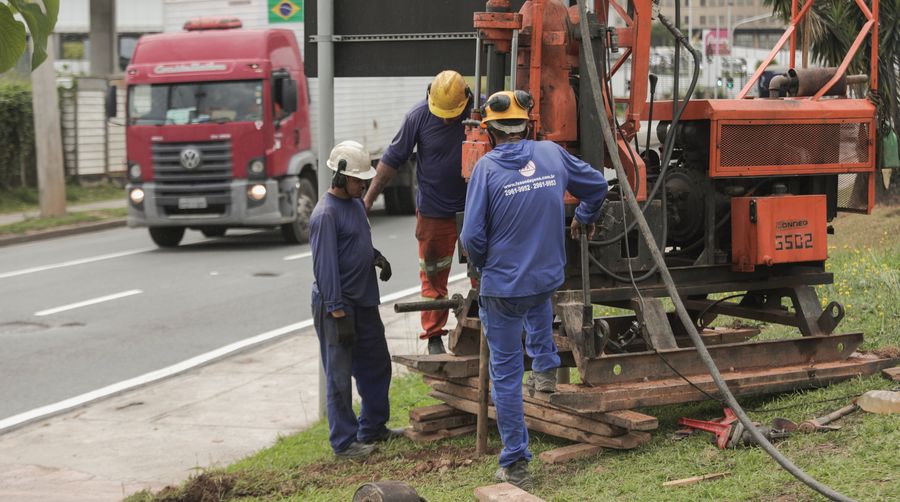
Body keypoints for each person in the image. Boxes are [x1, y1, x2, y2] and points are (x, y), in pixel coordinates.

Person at [459, 90, 608, 491]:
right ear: (527, 125)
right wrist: (583, 217)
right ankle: (544, 371)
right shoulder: (552, 154)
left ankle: (516, 461)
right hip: (545, 275)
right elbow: (597, 187)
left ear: (489, 132)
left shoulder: (486, 171)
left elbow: (472, 235)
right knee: (539, 299)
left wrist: (487, 264)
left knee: (505, 375)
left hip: (503, 287)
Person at [363, 70, 473, 355]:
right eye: (443, 114)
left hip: (473, 210)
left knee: (483, 272)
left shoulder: (479, 112)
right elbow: (392, 160)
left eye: (453, 114)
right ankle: (434, 336)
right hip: (434, 213)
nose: (448, 119)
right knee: (434, 275)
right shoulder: (418, 117)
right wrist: (368, 200)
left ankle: (480, 327)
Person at [310, 140, 403, 459]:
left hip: (364, 301)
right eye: (357, 180)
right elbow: (325, 268)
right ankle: (344, 443)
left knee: (377, 365)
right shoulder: (325, 215)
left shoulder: (355, 205)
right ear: (339, 177)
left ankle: (374, 427)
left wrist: (376, 257)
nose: (363, 184)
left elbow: (356, 243)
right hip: (339, 306)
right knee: (338, 377)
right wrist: (337, 312)